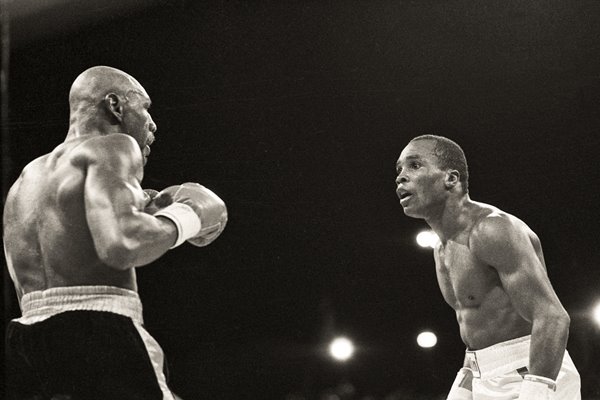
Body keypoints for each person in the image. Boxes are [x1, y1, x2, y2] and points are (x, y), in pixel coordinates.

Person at [3, 66, 228, 400]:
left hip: (25, 342)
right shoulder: (114, 146)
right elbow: (124, 243)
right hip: (98, 332)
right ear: (115, 105)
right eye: (145, 107)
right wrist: (188, 216)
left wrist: (144, 209)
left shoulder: (25, 182)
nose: (152, 124)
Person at [395, 135, 581, 400]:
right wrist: (466, 381)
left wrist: (537, 389)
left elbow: (552, 317)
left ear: (451, 178)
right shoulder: (441, 248)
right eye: (399, 169)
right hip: (484, 374)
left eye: (414, 165)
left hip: (534, 368)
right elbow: (476, 327)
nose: (401, 176)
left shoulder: (490, 229)